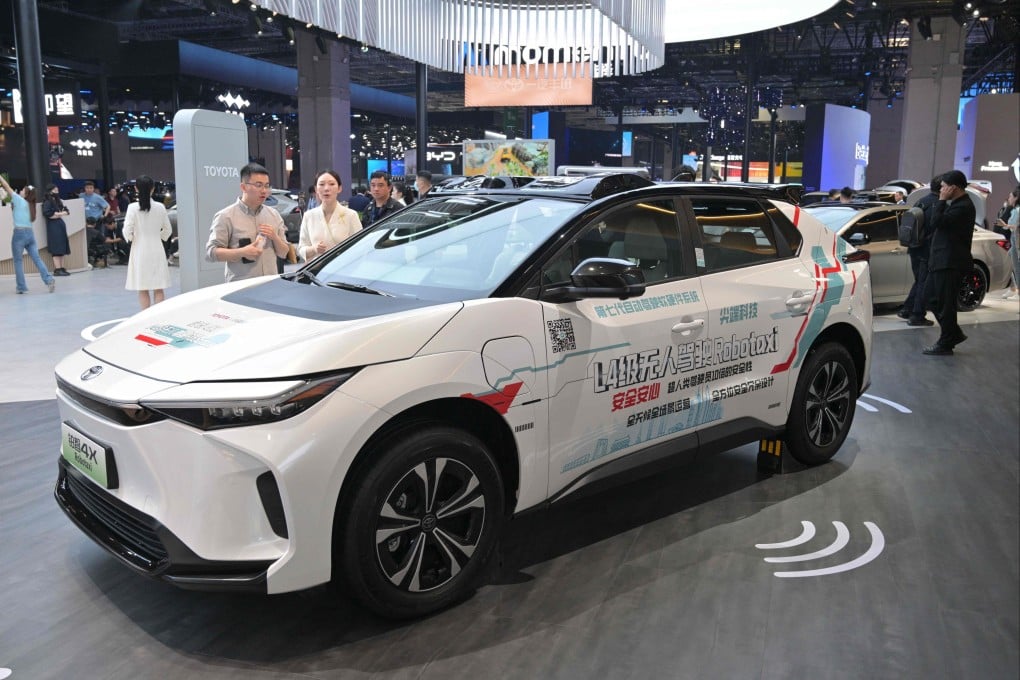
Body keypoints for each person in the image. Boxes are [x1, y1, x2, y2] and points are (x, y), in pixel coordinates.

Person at [205, 162, 289, 282]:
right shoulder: (226, 216)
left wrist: (274, 237)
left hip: (270, 283)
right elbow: (211, 252)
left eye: (267, 186)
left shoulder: (273, 215)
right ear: (243, 187)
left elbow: (284, 252)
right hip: (241, 285)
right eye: (258, 185)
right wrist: (242, 252)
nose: (264, 190)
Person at [922, 169, 975, 356]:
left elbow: (937, 221)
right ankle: (953, 333)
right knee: (930, 298)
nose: (941, 190)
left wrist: (942, 200)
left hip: (950, 262)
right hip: (941, 261)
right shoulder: (957, 204)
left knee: (946, 305)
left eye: (944, 187)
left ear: (954, 188)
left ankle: (946, 342)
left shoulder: (963, 207)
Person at [122, 175, 172, 309]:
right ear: (153, 189)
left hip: (139, 249)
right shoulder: (160, 207)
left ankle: (145, 317)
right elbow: (168, 230)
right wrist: (159, 237)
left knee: (142, 287)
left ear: (136, 188)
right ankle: (158, 317)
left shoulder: (132, 207)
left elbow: (127, 230)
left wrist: (132, 239)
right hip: (157, 249)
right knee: (158, 287)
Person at [0, 174, 55, 294]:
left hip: (19, 233)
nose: (20, 191)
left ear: (25, 194)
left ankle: (21, 287)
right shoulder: (31, 205)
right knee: (37, 258)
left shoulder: (18, 200)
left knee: (18, 261)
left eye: (22, 190)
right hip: (30, 233)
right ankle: (48, 279)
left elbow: (6, 186)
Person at [898, 176, 941, 326]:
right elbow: (934, 227)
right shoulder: (938, 204)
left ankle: (907, 309)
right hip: (926, 249)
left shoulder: (921, 201)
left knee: (919, 281)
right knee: (924, 283)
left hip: (914, 247)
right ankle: (917, 315)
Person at [297, 169, 362, 261]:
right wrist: (314, 249)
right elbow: (301, 249)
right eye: (321, 184)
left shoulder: (351, 215)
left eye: (331, 184)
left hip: (344, 266)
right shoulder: (309, 216)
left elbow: (360, 246)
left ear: (339, 188)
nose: (326, 188)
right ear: (316, 189)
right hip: (317, 268)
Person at [994, 187, 1019, 300]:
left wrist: (1005, 225)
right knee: (1012, 265)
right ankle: (1014, 289)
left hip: (1014, 240)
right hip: (1012, 240)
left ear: (1016, 198)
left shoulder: (1015, 210)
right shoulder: (1012, 209)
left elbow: (1014, 226)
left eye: (1010, 196)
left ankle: (1016, 290)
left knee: (1015, 266)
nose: (1008, 198)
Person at [41, 184, 71, 275]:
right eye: (55, 189)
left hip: (59, 225)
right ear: (50, 191)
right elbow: (49, 215)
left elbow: (65, 211)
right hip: (53, 226)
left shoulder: (58, 201)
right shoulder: (47, 202)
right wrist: (61, 213)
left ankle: (61, 268)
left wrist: (59, 213)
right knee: (56, 247)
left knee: (62, 246)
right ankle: (58, 269)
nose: (57, 190)